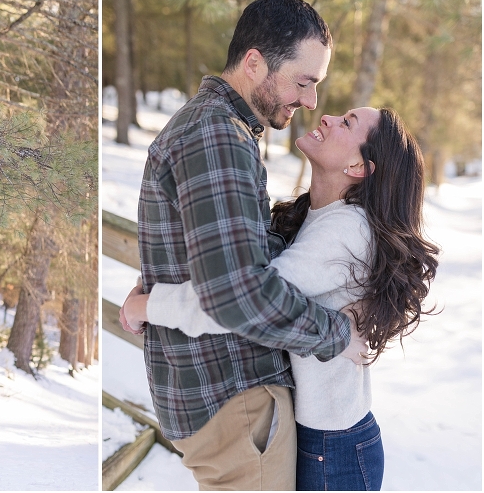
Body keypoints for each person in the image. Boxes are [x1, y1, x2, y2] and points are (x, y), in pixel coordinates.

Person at [118, 0, 370, 490]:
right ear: (254, 63)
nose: (312, 102)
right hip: (234, 397)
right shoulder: (218, 136)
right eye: (304, 82)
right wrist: (340, 337)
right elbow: (237, 294)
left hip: (224, 398)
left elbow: (225, 264)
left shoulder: (216, 130)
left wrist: (150, 301)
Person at [123, 107, 439, 490]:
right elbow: (229, 269)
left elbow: (239, 299)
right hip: (319, 436)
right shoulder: (318, 215)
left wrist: (146, 305)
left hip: (332, 448)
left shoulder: (345, 230)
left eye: (347, 123)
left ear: (359, 166)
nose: (328, 117)